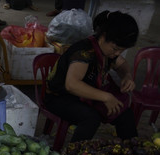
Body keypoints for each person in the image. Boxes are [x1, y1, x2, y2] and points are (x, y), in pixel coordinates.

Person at [44, 11, 139, 142]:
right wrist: (106, 97)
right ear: (103, 36)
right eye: (115, 48)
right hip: (60, 97)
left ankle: (133, 151)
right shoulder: (84, 52)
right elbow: (72, 85)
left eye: (121, 50)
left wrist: (127, 76)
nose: (117, 53)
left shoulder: (109, 52)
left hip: (84, 95)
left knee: (124, 112)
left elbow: (122, 64)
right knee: (91, 118)